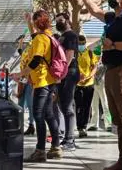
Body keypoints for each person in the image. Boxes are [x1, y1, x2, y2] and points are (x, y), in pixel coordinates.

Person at [74, 0, 122, 170]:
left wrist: (113, 46)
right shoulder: (112, 18)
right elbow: (94, 9)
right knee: (118, 120)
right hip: (111, 71)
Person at [20, 10, 62, 162]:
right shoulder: (47, 36)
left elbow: (36, 60)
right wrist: (29, 21)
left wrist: (21, 74)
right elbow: (34, 36)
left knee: (38, 115)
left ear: (38, 23)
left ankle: (40, 151)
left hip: (42, 82)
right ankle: (56, 147)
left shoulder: (40, 39)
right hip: (49, 81)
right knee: (49, 114)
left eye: (35, 22)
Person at [54, 12, 80, 151]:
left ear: (68, 20)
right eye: (57, 20)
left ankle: (70, 140)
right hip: (63, 75)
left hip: (70, 73)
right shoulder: (61, 37)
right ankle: (66, 138)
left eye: (61, 20)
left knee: (68, 107)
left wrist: (62, 73)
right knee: (62, 105)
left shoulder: (71, 36)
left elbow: (69, 55)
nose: (59, 22)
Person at [75, 35, 97, 138]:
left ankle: (84, 126)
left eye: (83, 43)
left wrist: (90, 76)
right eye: (79, 44)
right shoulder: (74, 54)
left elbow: (94, 67)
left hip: (89, 83)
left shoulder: (90, 53)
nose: (81, 45)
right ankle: (79, 127)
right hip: (78, 84)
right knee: (79, 106)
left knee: (87, 106)